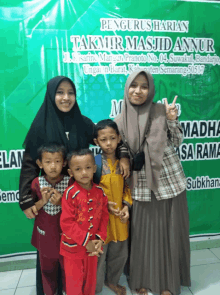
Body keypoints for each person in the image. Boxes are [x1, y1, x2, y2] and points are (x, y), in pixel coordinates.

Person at [19, 76, 130, 295]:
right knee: (50, 253)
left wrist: (124, 156)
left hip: (79, 199)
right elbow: (30, 164)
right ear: (51, 95)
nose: (66, 97)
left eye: (71, 93)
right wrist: (26, 200)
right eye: (60, 92)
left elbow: (110, 139)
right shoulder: (40, 125)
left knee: (76, 251)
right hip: (51, 200)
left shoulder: (83, 122)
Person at [115, 70, 191, 295]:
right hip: (140, 186)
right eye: (134, 86)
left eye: (144, 86)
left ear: (151, 90)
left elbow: (177, 141)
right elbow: (120, 150)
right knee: (144, 237)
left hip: (169, 182)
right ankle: (143, 280)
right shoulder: (119, 121)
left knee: (168, 235)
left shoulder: (161, 110)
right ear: (127, 87)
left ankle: (167, 283)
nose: (138, 91)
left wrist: (171, 120)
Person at [60, 149, 109, 295]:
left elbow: (104, 217)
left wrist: (100, 238)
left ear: (94, 168)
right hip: (73, 249)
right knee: (74, 284)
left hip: (93, 248)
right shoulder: (70, 193)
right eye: (78, 169)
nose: (84, 172)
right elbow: (67, 223)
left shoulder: (100, 192)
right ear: (70, 172)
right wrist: (86, 241)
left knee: (90, 283)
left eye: (88, 167)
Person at [93, 119, 132, 295]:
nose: (108, 143)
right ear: (96, 142)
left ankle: (112, 281)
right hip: (101, 219)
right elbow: (89, 191)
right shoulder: (94, 164)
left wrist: (126, 206)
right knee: (99, 256)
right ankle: (95, 287)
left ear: (119, 138)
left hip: (120, 218)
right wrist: (103, 205)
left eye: (112, 138)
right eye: (103, 139)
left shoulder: (125, 163)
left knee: (119, 254)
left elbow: (128, 187)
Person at [31, 144, 69, 295]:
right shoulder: (36, 183)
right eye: (48, 162)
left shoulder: (70, 182)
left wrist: (61, 203)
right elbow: (31, 210)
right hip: (44, 234)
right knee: (46, 269)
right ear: (40, 164)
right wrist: (43, 201)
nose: (53, 166)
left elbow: (77, 209)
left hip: (65, 235)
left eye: (57, 161)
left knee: (66, 268)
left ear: (64, 163)